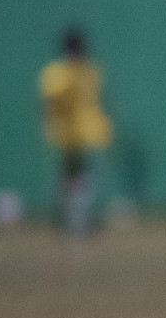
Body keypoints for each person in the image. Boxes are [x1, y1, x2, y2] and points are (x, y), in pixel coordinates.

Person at [39, 27, 112, 235]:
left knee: (70, 178)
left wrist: (48, 127)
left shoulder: (55, 73)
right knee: (80, 178)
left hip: (69, 133)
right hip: (85, 133)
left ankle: (73, 220)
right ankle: (76, 220)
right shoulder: (90, 70)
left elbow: (48, 104)